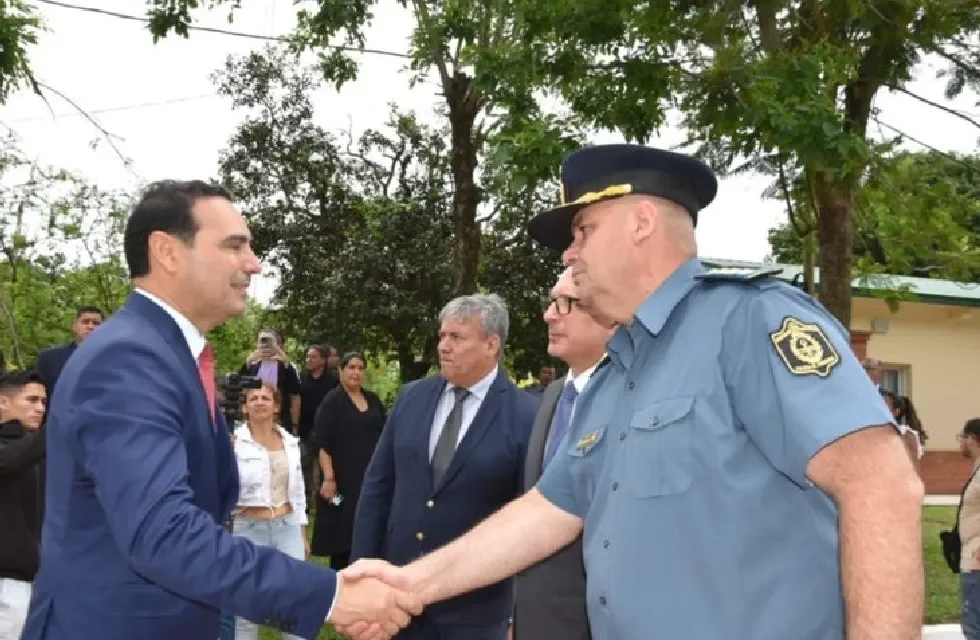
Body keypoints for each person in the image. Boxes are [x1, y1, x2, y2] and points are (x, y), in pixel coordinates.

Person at [340, 145, 923, 640]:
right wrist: (412, 583)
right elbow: (548, 511)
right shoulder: (613, 375)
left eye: (583, 231)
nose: (570, 253)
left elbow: (881, 485)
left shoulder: (749, 320)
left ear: (641, 223)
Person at [20, 180, 419, 640]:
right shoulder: (127, 359)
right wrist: (331, 596)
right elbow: (164, 533)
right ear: (167, 252)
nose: (254, 263)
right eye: (235, 246)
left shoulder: (169, 355)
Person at [348, 293, 536, 640]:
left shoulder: (527, 417)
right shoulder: (411, 398)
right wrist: (362, 574)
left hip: (476, 610)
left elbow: (530, 520)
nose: (443, 346)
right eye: (442, 336)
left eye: (457, 337)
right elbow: (378, 486)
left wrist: (515, 614)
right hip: (397, 599)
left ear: (491, 345)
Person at [513, 267, 614, 640]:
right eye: (552, 302)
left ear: (612, 317)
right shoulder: (553, 396)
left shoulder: (631, 399)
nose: (549, 314)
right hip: (537, 617)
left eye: (567, 303)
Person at [232, 383, 310, 640]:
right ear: (245, 407)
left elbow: (297, 492)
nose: (259, 402)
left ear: (276, 406)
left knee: (295, 603)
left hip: (286, 526)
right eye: (253, 398)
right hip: (249, 528)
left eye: (265, 398)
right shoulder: (234, 444)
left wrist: (302, 533)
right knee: (245, 607)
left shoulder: (289, 442)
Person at [311, 352, 386, 571]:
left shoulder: (373, 400)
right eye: (351, 367)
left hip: (369, 477)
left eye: (360, 368)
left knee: (370, 529)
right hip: (342, 480)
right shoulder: (332, 401)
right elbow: (322, 443)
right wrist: (329, 477)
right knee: (343, 536)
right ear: (341, 371)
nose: (356, 372)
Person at [0, 370, 47, 639]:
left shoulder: (41, 452)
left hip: (23, 582)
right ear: (3, 402)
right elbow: (7, 461)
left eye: (43, 402)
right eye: (31, 400)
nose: (39, 408)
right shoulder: (31, 449)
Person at [34, 306, 104, 395]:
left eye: (96, 323)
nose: (90, 326)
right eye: (85, 322)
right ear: (74, 326)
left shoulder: (115, 360)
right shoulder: (50, 359)